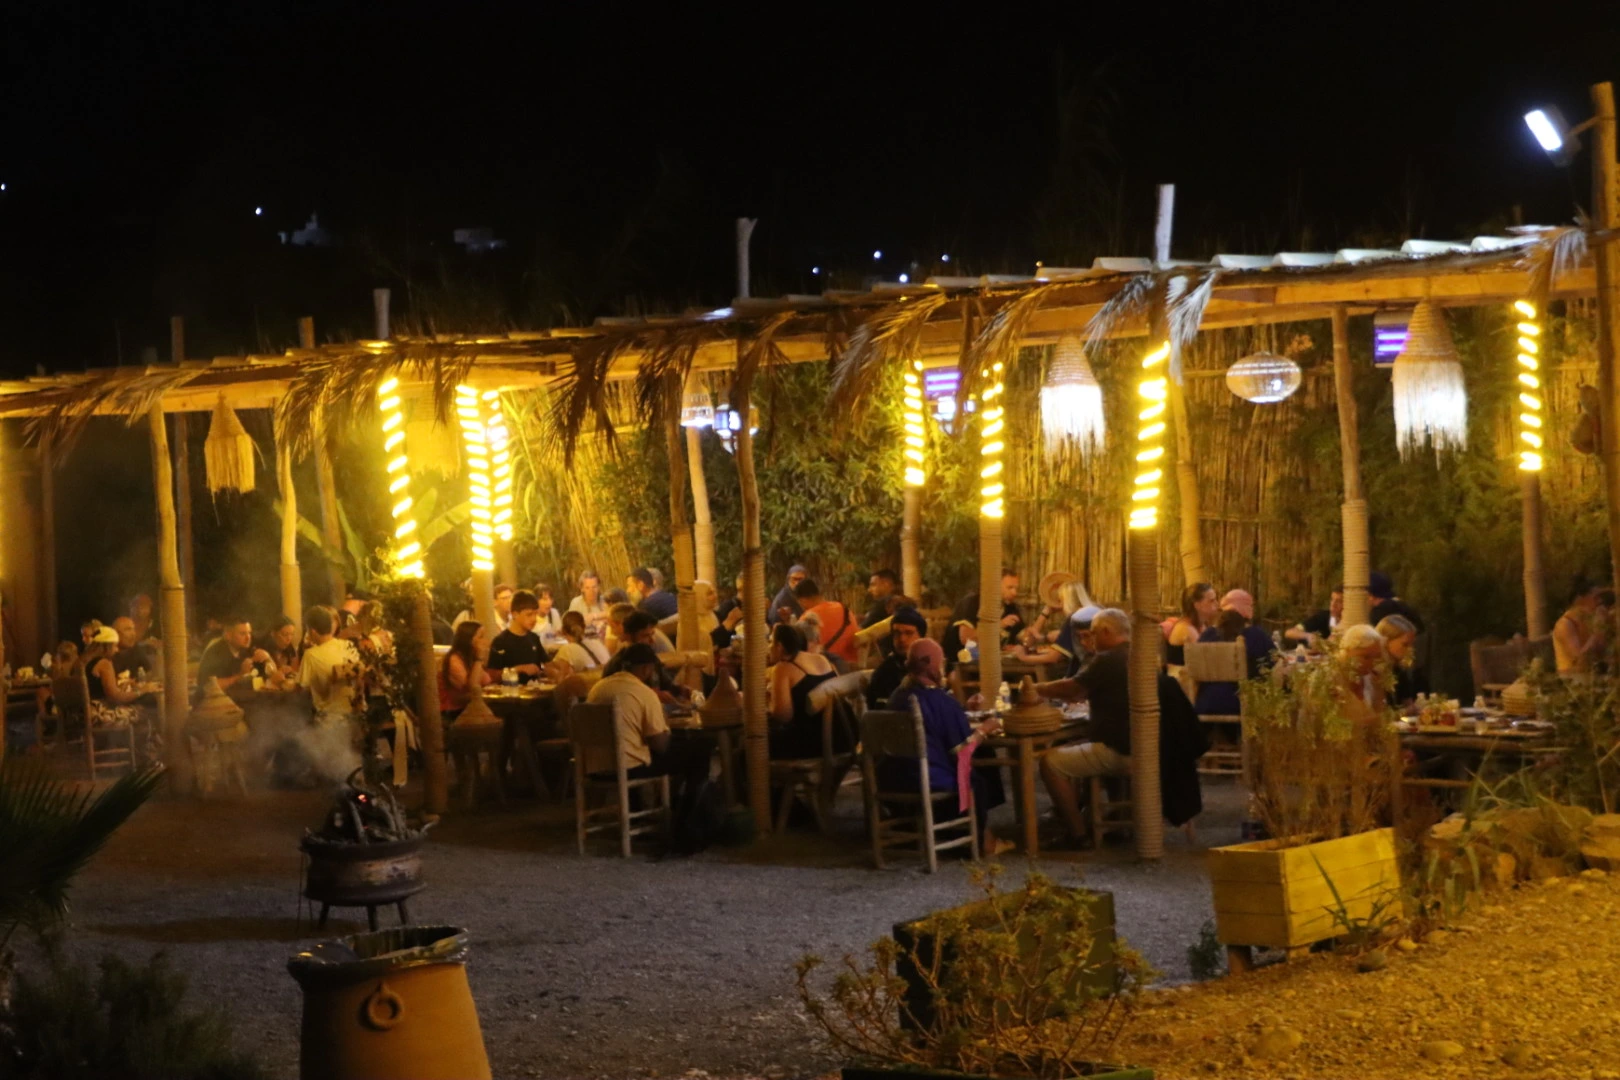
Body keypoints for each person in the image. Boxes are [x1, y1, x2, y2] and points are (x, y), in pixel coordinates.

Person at [881, 638, 1011, 850]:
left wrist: (960, 708)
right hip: (926, 780)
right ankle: (979, 840)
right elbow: (962, 750)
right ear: (932, 665)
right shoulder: (941, 701)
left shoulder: (898, 695)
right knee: (976, 777)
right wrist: (984, 729)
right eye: (941, 663)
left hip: (891, 778)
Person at [586, 642, 716, 848]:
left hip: (593, 766)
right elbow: (661, 745)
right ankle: (688, 822)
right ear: (647, 669)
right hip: (628, 767)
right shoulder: (643, 692)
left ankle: (664, 815)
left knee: (665, 748)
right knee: (699, 751)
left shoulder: (598, 688)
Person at [1034, 610, 1134, 842]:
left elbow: (1073, 689)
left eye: (1093, 634)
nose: (1090, 641)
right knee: (1074, 744)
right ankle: (1101, 816)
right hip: (1139, 743)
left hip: (1118, 749)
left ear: (1107, 632)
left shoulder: (1109, 658)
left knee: (1050, 762)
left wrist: (1036, 688)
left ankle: (1076, 833)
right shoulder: (1136, 654)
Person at [767, 622, 841, 758]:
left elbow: (783, 716)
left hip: (816, 741)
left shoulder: (783, 668)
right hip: (842, 736)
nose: (768, 647)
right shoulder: (822, 659)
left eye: (771, 642)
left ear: (779, 646)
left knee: (752, 747)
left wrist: (769, 704)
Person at [300, 605, 362, 723]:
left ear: (312, 631)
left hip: (326, 721)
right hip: (352, 717)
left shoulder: (311, 655)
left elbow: (301, 689)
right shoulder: (348, 645)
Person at [196, 617, 274, 703]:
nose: (248, 637)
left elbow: (272, 675)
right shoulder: (216, 651)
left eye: (249, 633)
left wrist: (268, 658)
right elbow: (210, 686)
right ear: (228, 635)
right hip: (212, 704)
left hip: (238, 699)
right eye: (242, 633)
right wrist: (240, 674)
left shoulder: (246, 647)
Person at [83, 625, 148, 728]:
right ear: (105, 646)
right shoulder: (104, 663)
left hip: (81, 714)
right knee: (144, 712)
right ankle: (147, 743)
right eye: (114, 646)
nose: (117, 650)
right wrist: (143, 690)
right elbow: (115, 698)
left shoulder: (83, 661)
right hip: (97, 715)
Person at [866, 607, 928, 709]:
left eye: (908, 633)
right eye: (897, 633)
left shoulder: (929, 665)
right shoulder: (884, 673)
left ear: (921, 637)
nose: (902, 639)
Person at [794, 578, 857, 668]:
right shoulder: (843, 608)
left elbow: (798, 653)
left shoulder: (807, 619)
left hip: (829, 669)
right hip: (853, 665)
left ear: (802, 601)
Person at [488, 590, 546, 683]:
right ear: (515, 614)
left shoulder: (534, 638)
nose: (534, 619)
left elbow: (546, 664)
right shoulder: (500, 641)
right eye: (529, 614)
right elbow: (492, 675)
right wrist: (517, 669)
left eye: (535, 614)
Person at [438, 620, 491, 720]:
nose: (485, 641)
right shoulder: (454, 659)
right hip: (455, 711)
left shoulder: (470, 658)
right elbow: (473, 687)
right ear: (468, 640)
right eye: (481, 637)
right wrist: (479, 659)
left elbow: (487, 680)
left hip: (473, 707)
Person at [1554, 577, 1608, 675]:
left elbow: (1601, 652)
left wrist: (1603, 628)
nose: (1600, 601)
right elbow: (1580, 662)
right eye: (1595, 597)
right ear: (1580, 599)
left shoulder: (1588, 619)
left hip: (1592, 675)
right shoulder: (1565, 624)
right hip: (1571, 679)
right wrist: (1597, 629)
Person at [1165, 582, 1218, 670]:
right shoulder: (1186, 629)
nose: (1217, 603)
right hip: (1181, 680)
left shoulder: (1202, 625)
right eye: (1211, 601)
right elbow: (1206, 661)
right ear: (1197, 605)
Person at [1375, 614, 1424, 705]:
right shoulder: (1373, 672)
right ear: (1385, 641)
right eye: (1405, 644)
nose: (1410, 649)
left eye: (1411, 644)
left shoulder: (1398, 668)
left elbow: (1408, 703)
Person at [569, 570, 611, 635]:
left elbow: (613, 615)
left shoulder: (605, 601)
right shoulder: (576, 603)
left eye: (594, 587)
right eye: (587, 588)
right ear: (582, 588)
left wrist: (595, 616)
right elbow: (571, 625)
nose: (591, 591)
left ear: (598, 587)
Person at [533, 583, 565, 649]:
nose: (549, 602)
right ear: (536, 601)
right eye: (545, 599)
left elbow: (559, 637)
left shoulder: (553, 613)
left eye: (550, 599)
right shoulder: (530, 617)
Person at [998, 569, 1026, 645]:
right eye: (1010, 588)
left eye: (1016, 588)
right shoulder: (974, 602)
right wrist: (999, 625)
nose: (1014, 593)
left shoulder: (1012, 608)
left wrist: (1045, 613)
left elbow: (1026, 640)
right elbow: (967, 639)